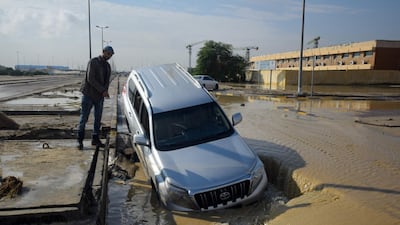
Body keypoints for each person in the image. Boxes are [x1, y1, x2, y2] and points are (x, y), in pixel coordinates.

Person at [77, 46, 114, 150]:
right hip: (88, 94)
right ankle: (80, 141)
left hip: (99, 97)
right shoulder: (93, 62)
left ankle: (95, 139)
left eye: (111, 55)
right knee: (84, 118)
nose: (109, 56)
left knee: (98, 118)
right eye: (108, 54)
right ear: (103, 52)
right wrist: (102, 90)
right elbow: (90, 78)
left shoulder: (107, 66)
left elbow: (107, 81)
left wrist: (105, 91)